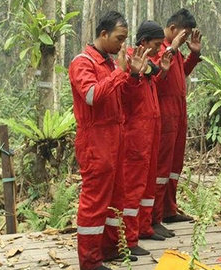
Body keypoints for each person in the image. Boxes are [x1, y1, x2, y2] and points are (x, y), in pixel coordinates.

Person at [68, 11, 149, 270]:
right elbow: (92, 95)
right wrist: (120, 72)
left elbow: (125, 100)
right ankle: (90, 261)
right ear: (103, 34)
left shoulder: (111, 63)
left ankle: (111, 248)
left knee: (117, 199)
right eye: (119, 38)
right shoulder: (82, 63)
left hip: (116, 139)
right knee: (95, 202)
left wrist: (133, 76)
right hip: (95, 141)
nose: (122, 44)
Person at [121, 20, 173, 255]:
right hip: (135, 134)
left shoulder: (148, 63)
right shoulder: (131, 59)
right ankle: (129, 239)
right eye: (156, 44)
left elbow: (149, 81)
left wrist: (161, 70)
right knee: (133, 186)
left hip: (150, 131)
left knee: (148, 182)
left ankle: (145, 226)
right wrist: (152, 69)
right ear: (143, 42)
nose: (158, 48)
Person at [151, 8, 202, 238]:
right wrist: (171, 49)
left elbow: (181, 74)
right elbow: (153, 78)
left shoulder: (177, 53)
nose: (186, 38)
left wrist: (193, 54)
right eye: (184, 33)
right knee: (161, 167)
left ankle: (169, 210)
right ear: (172, 29)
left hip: (179, 111)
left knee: (174, 166)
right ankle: (153, 216)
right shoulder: (158, 49)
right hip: (163, 112)